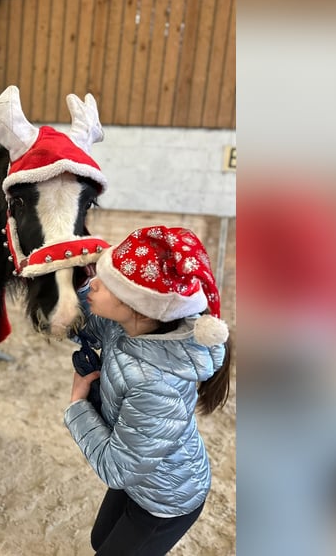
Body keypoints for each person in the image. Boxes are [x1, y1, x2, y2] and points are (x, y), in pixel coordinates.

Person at [64, 225, 232, 555]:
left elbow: (116, 467)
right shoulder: (126, 324)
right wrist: (59, 286)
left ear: (139, 307)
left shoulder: (157, 386)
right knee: (101, 540)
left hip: (167, 499)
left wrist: (77, 406)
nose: (94, 285)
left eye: (107, 284)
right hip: (142, 472)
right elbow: (82, 321)